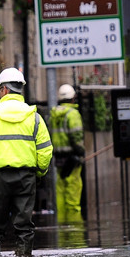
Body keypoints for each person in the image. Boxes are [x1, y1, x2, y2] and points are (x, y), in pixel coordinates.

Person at [0, 68, 53, 257]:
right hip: (26, 177)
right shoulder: (35, 117)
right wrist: (38, 174)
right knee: (24, 226)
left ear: (4, 90)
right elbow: (45, 150)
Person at [50, 84, 85, 223]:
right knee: (73, 191)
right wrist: (81, 151)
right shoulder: (73, 114)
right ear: (73, 98)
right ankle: (74, 225)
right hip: (72, 159)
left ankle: (61, 225)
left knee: (60, 190)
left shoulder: (53, 115)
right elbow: (76, 137)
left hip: (58, 158)